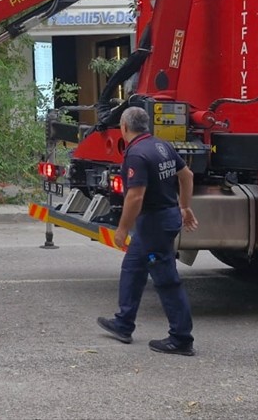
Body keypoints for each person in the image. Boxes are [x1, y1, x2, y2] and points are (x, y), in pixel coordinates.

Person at [96, 105, 198, 356]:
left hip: (155, 224)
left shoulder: (137, 154)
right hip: (164, 217)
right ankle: (123, 323)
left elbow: (135, 197)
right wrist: (184, 207)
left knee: (166, 279)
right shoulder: (160, 145)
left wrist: (121, 229)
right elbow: (187, 175)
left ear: (124, 127)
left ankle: (181, 338)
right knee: (133, 266)